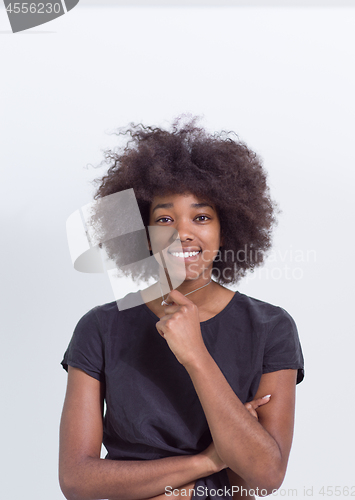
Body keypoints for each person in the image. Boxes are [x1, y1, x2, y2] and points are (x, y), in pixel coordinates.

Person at [59, 116, 304, 500]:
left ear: (228, 230)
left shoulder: (271, 326)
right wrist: (208, 462)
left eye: (201, 217)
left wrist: (196, 355)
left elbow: (264, 476)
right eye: (165, 218)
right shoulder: (100, 327)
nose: (182, 233)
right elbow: (77, 479)